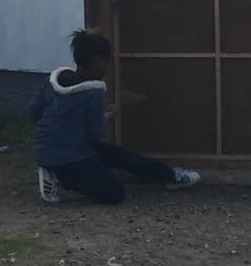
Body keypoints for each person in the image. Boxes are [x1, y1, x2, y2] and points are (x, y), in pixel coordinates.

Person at [29, 30, 200, 204]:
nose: (107, 66)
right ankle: (59, 176)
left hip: (49, 149)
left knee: (125, 157)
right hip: (69, 157)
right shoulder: (93, 91)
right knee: (115, 193)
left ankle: (170, 176)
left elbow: (34, 111)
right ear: (96, 60)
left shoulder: (54, 79)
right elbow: (97, 135)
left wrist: (60, 128)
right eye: (107, 60)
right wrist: (105, 118)